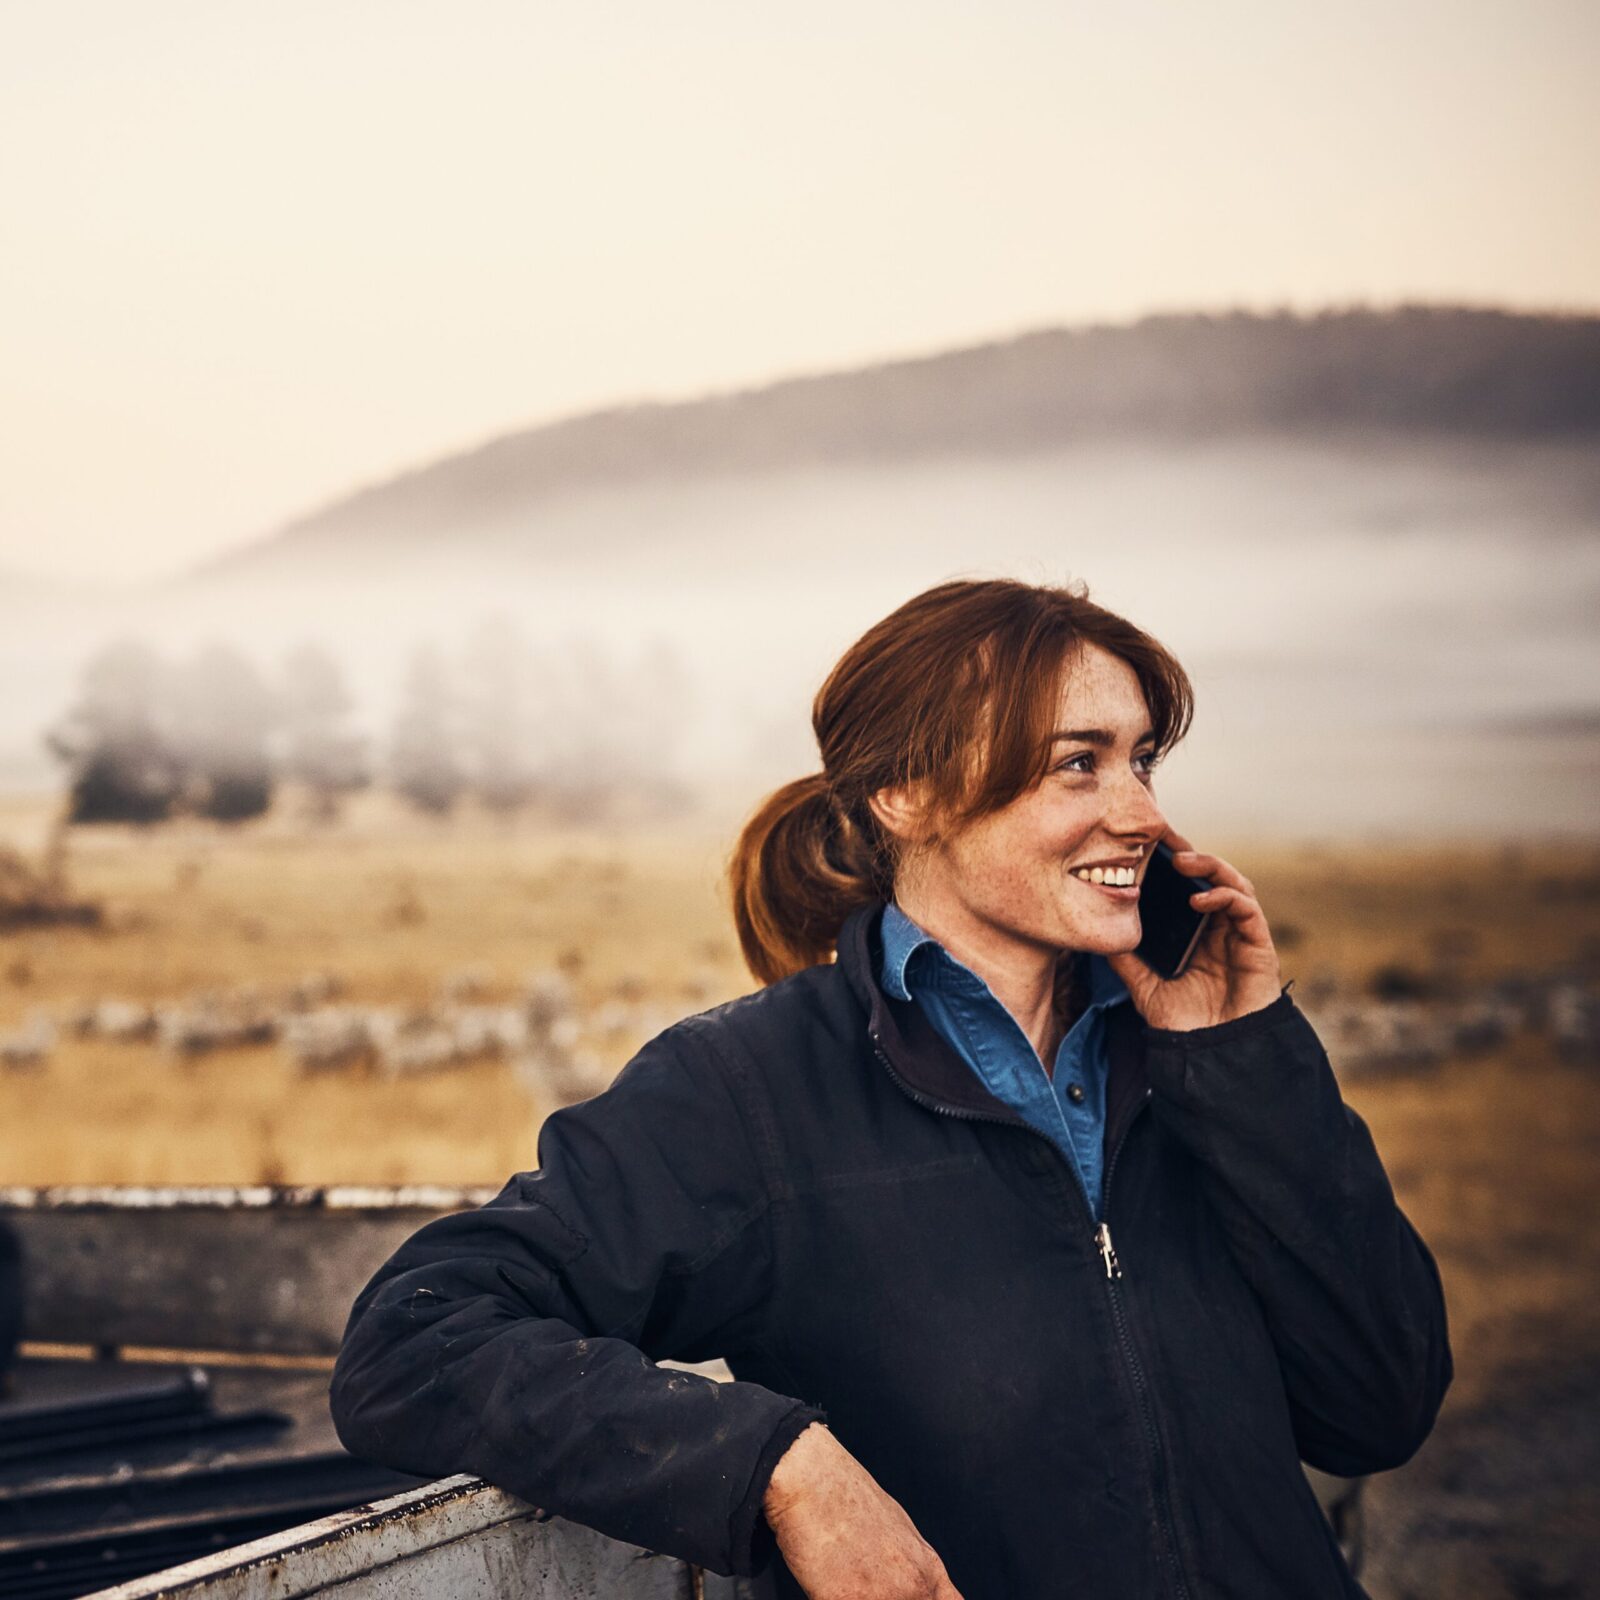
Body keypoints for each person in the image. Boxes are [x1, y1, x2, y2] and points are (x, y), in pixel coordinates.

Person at [330, 577, 1452, 1600]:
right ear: (909, 794)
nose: (1144, 813)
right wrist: (779, 1465)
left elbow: (1377, 1407)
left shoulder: (1192, 1064)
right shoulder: (747, 1088)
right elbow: (416, 1337)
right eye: (1079, 762)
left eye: (1142, 758)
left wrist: (1242, 1057)